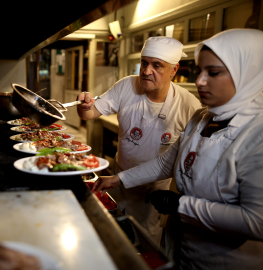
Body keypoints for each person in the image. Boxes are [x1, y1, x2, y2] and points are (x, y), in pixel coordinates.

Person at [92, 28, 263, 269]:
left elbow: (257, 221)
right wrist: (118, 179)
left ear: (248, 74)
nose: (200, 81)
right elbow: (166, 162)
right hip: (180, 246)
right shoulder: (201, 117)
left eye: (212, 72)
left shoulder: (257, 135)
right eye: (199, 71)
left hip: (223, 261)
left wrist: (182, 206)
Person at [77, 37, 202, 244]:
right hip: (117, 180)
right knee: (109, 234)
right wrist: (84, 105)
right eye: (144, 63)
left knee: (144, 242)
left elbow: (192, 156)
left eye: (157, 65)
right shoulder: (127, 86)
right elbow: (90, 113)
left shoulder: (188, 105)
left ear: (174, 70)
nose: (146, 71)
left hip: (151, 192)